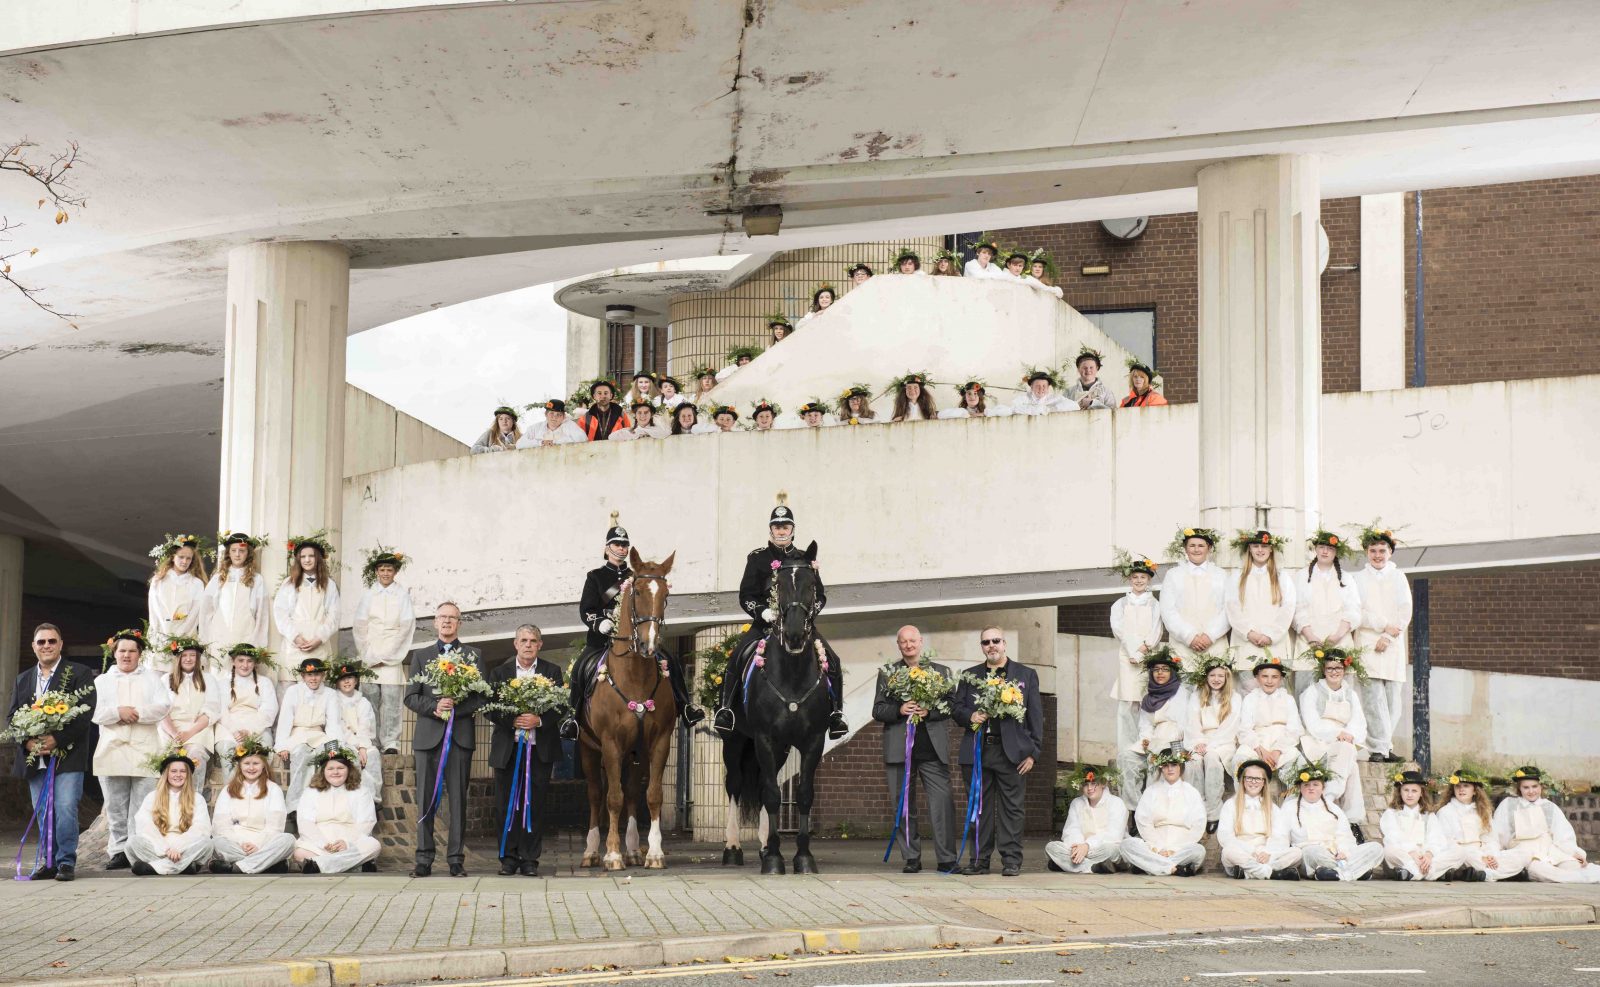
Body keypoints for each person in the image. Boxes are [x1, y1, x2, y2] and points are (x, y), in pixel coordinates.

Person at [714, 498, 847, 739]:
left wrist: (807, 615)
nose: (781, 531)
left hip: (800, 625)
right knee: (737, 657)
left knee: (833, 659)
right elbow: (746, 595)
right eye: (777, 527)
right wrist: (762, 611)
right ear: (771, 530)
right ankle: (725, 710)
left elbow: (820, 595)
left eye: (786, 526)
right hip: (766, 625)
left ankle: (836, 714)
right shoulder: (758, 558)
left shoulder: (805, 558)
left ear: (793, 530)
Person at [952, 626, 1044, 877]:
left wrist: (1033, 753)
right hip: (977, 751)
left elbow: (1035, 717)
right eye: (985, 642)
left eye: (995, 641)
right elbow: (956, 709)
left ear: (1004, 643)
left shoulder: (1026, 674)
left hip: (1012, 754)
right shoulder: (970, 676)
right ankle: (979, 861)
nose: (991, 645)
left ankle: (1011, 860)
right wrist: (970, 714)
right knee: (978, 808)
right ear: (981, 647)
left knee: (1012, 809)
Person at [7, 623, 97, 881]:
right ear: (33, 646)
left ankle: (66, 862)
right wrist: (27, 742)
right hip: (35, 759)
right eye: (41, 642)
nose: (46, 645)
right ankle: (49, 862)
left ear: (60, 644)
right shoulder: (23, 678)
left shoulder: (78, 673)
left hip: (68, 754)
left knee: (66, 807)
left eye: (51, 641)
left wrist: (56, 739)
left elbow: (85, 714)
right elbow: (12, 717)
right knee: (44, 811)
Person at [405, 601, 487, 877]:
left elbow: (481, 697)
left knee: (458, 803)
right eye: (443, 617)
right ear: (435, 622)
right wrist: (435, 707)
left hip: (460, 737)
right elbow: (411, 696)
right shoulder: (421, 655)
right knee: (426, 799)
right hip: (427, 739)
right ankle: (424, 859)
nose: (447, 622)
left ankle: (455, 859)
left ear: (459, 623)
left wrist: (455, 709)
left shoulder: (473, 655)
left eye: (453, 618)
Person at [871, 626, 957, 875]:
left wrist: (929, 712)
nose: (908, 645)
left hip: (932, 749)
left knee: (941, 804)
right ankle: (911, 857)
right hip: (899, 750)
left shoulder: (941, 672)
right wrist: (899, 710)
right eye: (903, 642)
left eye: (912, 641)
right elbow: (877, 710)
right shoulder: (888, 673)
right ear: (898, 645)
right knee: (904, 806)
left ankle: (947, 858)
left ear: (921, 642)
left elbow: (951, 706)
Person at [487, 624, 565, 876]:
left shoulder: (552, 672)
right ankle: (508, 858)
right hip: (507, 751)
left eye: (533, 640)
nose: (528, 644)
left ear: (540, 645)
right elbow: (489, 706)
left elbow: (561, 706)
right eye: (524, 640)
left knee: (534, 805)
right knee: (505, 805)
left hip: (538, 750)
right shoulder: (500, 673)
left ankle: (530, 859)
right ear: (515, 644)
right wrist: (512, 720)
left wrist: (539, 720)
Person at [92, 629, 172, 870]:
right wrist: (118, 713)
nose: (126, 655)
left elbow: (163, 707)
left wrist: (136, 713)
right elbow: (94, 712)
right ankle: (118, 850)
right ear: (114, 653)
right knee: (115, 804)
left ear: (139, 654)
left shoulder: (152, 679)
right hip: (112, 747)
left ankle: (136, 850)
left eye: (131, 651)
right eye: (122, 651)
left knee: (142, 805)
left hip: (145, 747)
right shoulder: (102, 681)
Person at [1354, 524, 1412, 763]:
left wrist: (1389, 636)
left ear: (1390, 552)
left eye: (1382, 550)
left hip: (1393, 643)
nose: (1377, 555)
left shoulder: (1398, 577)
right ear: (1366, 552)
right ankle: (1377, 748)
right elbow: (1357, 611)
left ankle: (1386, 745)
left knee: (1392, 698)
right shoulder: (1357, 579)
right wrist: (1381, 626)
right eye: (1373, 550)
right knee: (1372, 697)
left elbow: (1404, 611)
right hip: (1367, 640)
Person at [352, 546, 415, 755]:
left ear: (395, 571)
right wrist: (368, 655)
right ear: (376, 571)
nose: (385, 573)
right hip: (371, 652)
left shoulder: (402, 595)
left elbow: (406, 626)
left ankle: (391, 742)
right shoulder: (369, 595)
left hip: (392, 653)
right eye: (382, 569)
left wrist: (389, 655)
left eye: (389, 569)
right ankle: (371, 740)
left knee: (391, 699)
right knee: (369, 699)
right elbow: (360, 626)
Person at [1276, 761, 1383, 880]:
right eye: (1306, 785)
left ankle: (1334, 873)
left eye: (1315, 784)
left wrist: (1344, 852)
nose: (1311, 788)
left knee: (1376, 848)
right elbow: (1280, 837)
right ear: (1300, 788)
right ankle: (1354, 872)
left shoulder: (1333, 808)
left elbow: (1345, 836)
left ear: (1323, 788)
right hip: (1313, 854)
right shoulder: (1289, 807)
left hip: (1338, 854)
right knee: (1311, 851)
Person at [1492, 766, 1600, 883]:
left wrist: (1574, 852)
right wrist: (1494, 854)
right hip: (1526, 853)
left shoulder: (1549, 807)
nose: (1531, 791)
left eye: (1534, 786)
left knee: (1573, 865)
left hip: (1550, 851)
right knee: (1539, 870)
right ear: (1519, 789)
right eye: (1526, 787)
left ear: (1541, 786)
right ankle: (1581, 878)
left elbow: (1562, 835)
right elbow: (1498, 833)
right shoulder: (1509, 804)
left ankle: (1576, 876)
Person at [1298, 650, 1368, 829]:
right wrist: (1337, 733)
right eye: (1330, 668)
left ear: (1344, 669)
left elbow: (1358, 721)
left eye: (1338, 668)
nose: (1334, 672)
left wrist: (1349, 735)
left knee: (1349, 756)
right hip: (1318, 742)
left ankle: (1336, 807)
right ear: (1324, 670)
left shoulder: (1350, 694)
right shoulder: (1312, 692)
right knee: (1349, 758)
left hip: (1344, 742)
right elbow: (1312, 722)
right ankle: (1337, 804)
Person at [209, 736, 295, 874]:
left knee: (288, 840)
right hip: (236, 844)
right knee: (216, 842)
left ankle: (238, 867)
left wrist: (258, 845)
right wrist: (241, 843)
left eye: (256, 763)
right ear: (240, 766)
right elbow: (220, 826)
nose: (251, 767)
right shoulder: (228, 790)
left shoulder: (273, 789)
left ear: (263, 766)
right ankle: (266, 864)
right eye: (247, 763)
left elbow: (275, 826)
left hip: (263, 843)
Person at [1108, 554, 1163, 770]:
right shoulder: (1120, 604)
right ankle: (1126, 748)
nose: (1139, 581)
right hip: (1126, 657)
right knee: (1127, 702)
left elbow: (1156, 630)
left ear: (1148, 580)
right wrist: (1132, 651)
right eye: (1135, 577)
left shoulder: (1154, 604)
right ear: (1130, 579)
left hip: (1147, 656)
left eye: (1143, 577)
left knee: (1146, 700)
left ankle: (1145, 744)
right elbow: (1119, 629)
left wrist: (1142, 651)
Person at [1117, 647, 1189, 811]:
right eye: (1156, 670)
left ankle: (1153, 810)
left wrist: (1160, 746)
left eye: (1164, 669)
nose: (1160, 673)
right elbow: (1145, 724)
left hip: (1172, 743)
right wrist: (1146, 740)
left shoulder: (1180, 693)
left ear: (1172, 672)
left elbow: (1184, 725)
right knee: (1126, 757)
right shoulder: (1148, 697)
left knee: (1156, 763)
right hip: (1152, 742)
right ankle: (1134, 808)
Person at [1226, 529, 1296, 694]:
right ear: (1249, 548)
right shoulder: (1237, 577)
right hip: (1245, 644)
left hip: (1275, 643)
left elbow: (1288, 608)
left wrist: (1270, 635)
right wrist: (1249, 633)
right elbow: (1232, 607)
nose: (1260, 550)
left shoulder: (1282, 577)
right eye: (1256, 546)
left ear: (1271, 549)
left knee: (1277, 693)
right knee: (1247, 693)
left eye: (1264, 546)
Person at [293, 742, 381, 874]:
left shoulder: (361, 791)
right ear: (323, 771)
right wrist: (322, 843)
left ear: (349, 769)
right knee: (300, 853)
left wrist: (347, 843)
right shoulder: (311, 792)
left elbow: (365, 823)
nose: (335, 772)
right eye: (330, 768)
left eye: (340, 768)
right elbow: (305, 823)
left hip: (349, 842)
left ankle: (319, 865)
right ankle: (354, 866)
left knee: (373, 845)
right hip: (321, 844)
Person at [127, 746, 214, 875]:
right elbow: (145, 826)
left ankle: (155, 868)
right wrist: (165, 849)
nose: (178, 775)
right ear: (166, 774)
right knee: (132, 843)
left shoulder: (197, 798)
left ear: (188, 775)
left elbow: (201, 828)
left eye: (182, 771)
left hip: (185, 846)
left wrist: (178, 847)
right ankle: (183, 867)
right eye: (173, 771)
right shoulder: (153, 797)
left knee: (207, 844)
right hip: (159, 845)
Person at [1292, 530, 1359, 697]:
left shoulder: (1347, 579)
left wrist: (1338, 635)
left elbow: (1353, 610)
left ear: (1335, 552)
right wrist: (1310, 636)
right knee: (1305, 694)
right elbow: (1296, 608)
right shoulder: (1300, 577)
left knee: (1341, 696)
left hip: (1339, 642)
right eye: (1321, 547)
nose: (1324, 551)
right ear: (1315, 549)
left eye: (1329, 548)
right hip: (1308, 643)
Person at [1121, 746, 1206, 876]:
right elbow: (1143, 822)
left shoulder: (1191, 793)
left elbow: (1198, 826)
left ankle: (1149, 865)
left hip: (1181, 846)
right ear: (1161, 768)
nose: (1170, 769)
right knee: (1127, 845)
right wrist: (1158, 848)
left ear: (1181, 767)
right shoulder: (1151, 791)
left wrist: (1175, 850)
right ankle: (1171, 867)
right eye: (1165, 765)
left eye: (1174, 764)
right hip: (1154, 845)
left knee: (1199, 851)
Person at [274, 656, 345, 812]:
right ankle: (294, 806)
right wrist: (282, 745)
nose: (314, 678)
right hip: (297, 734)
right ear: (303, 676)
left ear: (323, 675)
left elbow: (333, 723)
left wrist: (334, 747)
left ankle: (319, 806)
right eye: (310, 675)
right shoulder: (293, 691)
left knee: (325, 758)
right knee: (301, 756)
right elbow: (285, 720)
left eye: (317, 674)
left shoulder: (330, 694)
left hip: (319, 734)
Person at [271, 533, 340, 692]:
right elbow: (280, 614)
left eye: (311, 556)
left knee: (319, 692)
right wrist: (295, 637)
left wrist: (319, 637)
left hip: (318, 645)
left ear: (318, 559)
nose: (307, 560)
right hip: (294, 646)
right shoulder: (288, 584)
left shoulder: (328, 585)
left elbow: (334, 616)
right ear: (298, 559)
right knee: (289, 690)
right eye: (303, 556)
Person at [1435, 767, 1528, 882]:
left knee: (1523, 854)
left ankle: (1480, 874)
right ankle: (1495, 874)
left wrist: (1490, 855)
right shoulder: (1445, 812)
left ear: (1474, 790)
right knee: (1463, 854)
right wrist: (1479, 858)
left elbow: (1491, 839)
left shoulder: (1483, 811)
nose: (1461, 790)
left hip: (1482, 853)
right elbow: (1446, 842)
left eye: (1466, 786)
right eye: (1458, 786)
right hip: (1463, 855)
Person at [1217, 759, 1303, 879]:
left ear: (1264, 782)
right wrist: (1252, 851)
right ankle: (1272, 873)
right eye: (1249, 778)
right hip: (1243, 852)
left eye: (1258, 778)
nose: (1253, 782)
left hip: (1266, 854)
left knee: (1296, 853)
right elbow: (1225, 836)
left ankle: (1248, 872)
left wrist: (1268, 852)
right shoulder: (1231, 805)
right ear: (1243, 781)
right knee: (1228, 852)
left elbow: (1280, 836)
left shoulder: (1273, 808)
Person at [157, 637, 223, 789]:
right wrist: (174, 733)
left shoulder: (208, 679)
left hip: (197, 729)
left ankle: (194, 800)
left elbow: (211, 710)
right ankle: (167, 801)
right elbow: (161, 710)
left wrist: (189, 733)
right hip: (170, 729)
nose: (188, 659)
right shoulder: (165, 679)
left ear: (198, 658)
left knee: (195, 757)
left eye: (192, 655)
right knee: (166, 758)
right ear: (178, 658)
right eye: (184, 655)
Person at [1160, 526, 1230, 667]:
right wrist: (1189, 636)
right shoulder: (1173, 575)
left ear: (1209, 548)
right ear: (1185, 549)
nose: (1196, 549)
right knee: (1185, 687)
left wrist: (1210, 636)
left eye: (1201, 545)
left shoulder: (1221, 575)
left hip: (1214, 644)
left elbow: (1228, 609)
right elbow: (1167, 611)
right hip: (1183, 647)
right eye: (1192, 545)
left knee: (1215, 686)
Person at [1183, 653, 1239, 828]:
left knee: (1212, 760)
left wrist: (1209, 746)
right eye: (1212, 675)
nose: (1216, 679)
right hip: (1198, 741)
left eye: (1220, 675)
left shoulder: (1234, 698)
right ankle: (1198, 808)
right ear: (1206, 677)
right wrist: (1199, 742)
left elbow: (1230, 726)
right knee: (1193, 761)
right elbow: (1191, 722)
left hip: (1222, 743)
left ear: (1226, 677)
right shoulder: (1197, 696)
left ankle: (1213, 812)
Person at [1380, 769, 1465, 881]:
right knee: (1388, 851)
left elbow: (1435, 837)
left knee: (1460, 851)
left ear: (1421, 793)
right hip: (1406, 854)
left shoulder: (1428, 815)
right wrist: (1413, 854)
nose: (1409, 794)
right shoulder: (1391, 813)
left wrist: (1429, 855)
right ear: (1400, 792)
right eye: (1406, 790)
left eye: (1414, 791)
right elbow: (1393, 837)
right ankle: (1432, 873)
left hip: (1425, 855)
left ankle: (1412, 873)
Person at [203, 531, 269, 668]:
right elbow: (206, 610)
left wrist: (257, 643)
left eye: (242, 551)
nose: (237, 554)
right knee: (219, 677)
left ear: (248, 553)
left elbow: (262, 613)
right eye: (234, 550)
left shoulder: (257, 580)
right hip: (219, 636)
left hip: (245, 635)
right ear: (229, 553)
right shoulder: (218, 578)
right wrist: (206, 640)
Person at [1045, 764, 1126, 874]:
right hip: (1081, 848)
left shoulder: (1116, 803)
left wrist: (1087, 846)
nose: (1089, 788)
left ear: (1103, 783)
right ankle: (1094, 867)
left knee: (1110, 850)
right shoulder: (1077, 803)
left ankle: (1068, 865)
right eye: (1086, 784)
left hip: (1103, 848)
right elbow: (1071, 829)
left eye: (1094, 784)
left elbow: (1113, 835)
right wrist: (1076, 846)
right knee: (1051, 847)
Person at [1231, 656, 1304, 777]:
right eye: (1265, 676)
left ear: (1280, 679)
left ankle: (1291, 795)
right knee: (1239, 760)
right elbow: (1244, 728)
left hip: (1282, 742)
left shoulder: (1288, 699)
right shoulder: (1250, 699)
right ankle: (1246, 795)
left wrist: (1277, 751)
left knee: (1298, 763)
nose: (1269, 681)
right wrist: (1261, 751)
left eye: (1274, 677)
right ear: (1257, 678)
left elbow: (1294, 728)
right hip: (1257, 742)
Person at [147, 533, 207, 663]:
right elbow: (155, 610)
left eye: (188, 558)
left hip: (185, 638)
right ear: (172, 557)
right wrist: (163, 634)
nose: (184, 561)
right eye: (181, 557)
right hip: (160, 637)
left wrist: (180, 636)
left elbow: (194, 614)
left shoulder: (196, 583)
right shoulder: (159, 580)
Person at [330, 657, 382, 804]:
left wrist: (364, 746)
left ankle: (371, 800)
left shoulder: (363, 702)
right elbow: (338, 726)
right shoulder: (333, 701)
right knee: (349, 757)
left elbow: (366, 726)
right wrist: (356, 746)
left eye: (350, 678)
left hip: (361, 742)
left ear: (356, 681)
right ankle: (350, 800)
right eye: (342, 679)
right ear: (337, 683)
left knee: (373, 755)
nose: (346, 682)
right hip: (341, 741)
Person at [216, 643, 279, 751]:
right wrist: (235, 731)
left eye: (249, 661)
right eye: (241, 660)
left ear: (255, 663)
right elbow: (221, 711)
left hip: (257, 727)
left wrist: (250, 731)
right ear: (233, 662)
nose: (245, 665)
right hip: (229, 727)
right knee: (226, 748)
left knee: (264, 747)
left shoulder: (264, 682)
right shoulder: (223, 683)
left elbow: (269, 710)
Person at [516, 398, 588, 447]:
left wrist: (555, 442)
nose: (554, 417)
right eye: (551, 413)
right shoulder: (535, 428)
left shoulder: (569, 426)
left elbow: (583, 439)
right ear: (546, 414)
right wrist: (541, 443)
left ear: (564, 416)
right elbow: (519, 444)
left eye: (558, 415)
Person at [938, 379, 1013, 419]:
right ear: (964, 397)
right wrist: (966, 414)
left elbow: (1008, 411)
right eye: (969, 393)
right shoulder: (960, 412)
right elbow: (941, 415)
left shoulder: (987, 411)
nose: (972, 397)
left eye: (975, 394)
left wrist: (982, 414)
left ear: (980, 396)